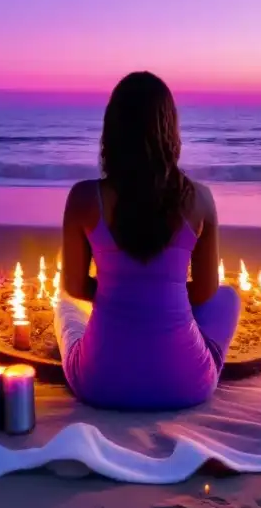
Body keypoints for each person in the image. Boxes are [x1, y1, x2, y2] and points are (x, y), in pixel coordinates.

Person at [54, 72, 242, 410]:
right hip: (187, 383)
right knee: (228, 298)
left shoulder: (83, 197)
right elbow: (204, 292)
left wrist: (124, 295)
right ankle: (171, 342)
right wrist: (160, 294)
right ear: (171, 130)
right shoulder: (200, 199)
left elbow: (76, 286)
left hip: (101, 384)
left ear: (111, 130)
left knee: (66, 310)